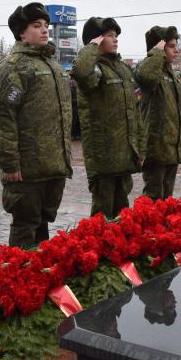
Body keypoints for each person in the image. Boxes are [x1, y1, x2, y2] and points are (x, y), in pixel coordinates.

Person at [0, 3, 73, 247]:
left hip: (53, 164)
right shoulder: (14, 67)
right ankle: (18, 270)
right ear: (21, 33)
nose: (45, 30)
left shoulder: (53, 65)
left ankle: (40, 269)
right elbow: (2, 117)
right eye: (37, 26)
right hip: (27, 169)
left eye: (46, 25)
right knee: (25, 227)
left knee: (43, 226)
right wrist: (10, 162)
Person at [71, 16, 142, 219]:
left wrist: (139, 147)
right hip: (103, 155)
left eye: (116, 35)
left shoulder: (123, 68)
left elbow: (134, 111)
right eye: (110, 35)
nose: (115, 39)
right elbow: (81, 72)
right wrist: (91, 47)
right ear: (97, 40)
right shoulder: (94, 68)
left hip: (124, 153)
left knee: (122, 212)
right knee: (102, 214)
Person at [134, 25, 181, 200]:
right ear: (159, 47)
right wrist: (156, 52)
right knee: (154, 197)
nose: (176, 50)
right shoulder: (148, 69)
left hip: (172, 147)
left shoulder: (173, 74)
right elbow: (145, 76)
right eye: (171, 46)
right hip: (155, 148)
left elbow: (179, 111)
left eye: (176, 45)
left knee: (168, 198)